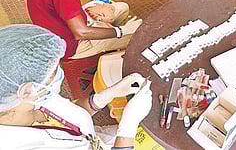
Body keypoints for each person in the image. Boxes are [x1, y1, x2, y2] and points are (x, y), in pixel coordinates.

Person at [0, 24, 153, 150]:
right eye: (53, 73)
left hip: (95, 139)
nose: (60, 74)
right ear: (26, 91)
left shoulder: (33, 98)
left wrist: (102, 97)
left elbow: (67, 117)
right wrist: (127, 129)